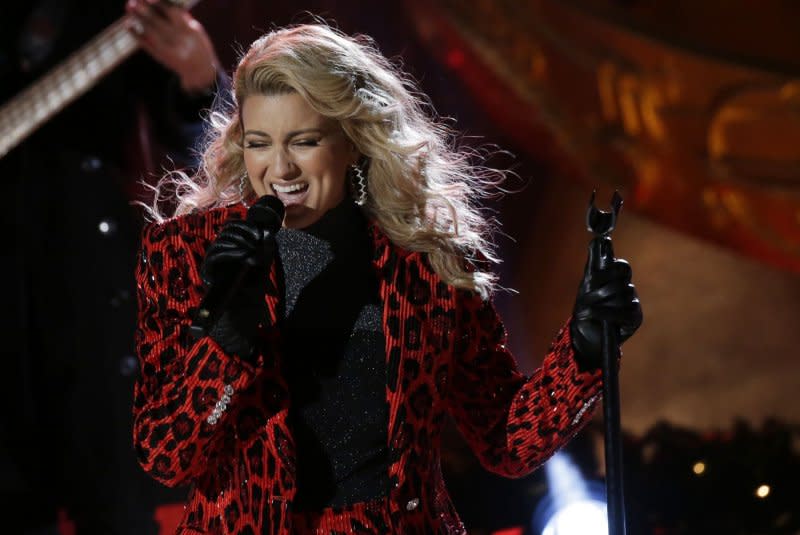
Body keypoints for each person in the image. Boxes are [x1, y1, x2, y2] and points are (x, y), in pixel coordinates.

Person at [133, 23, 642, 534]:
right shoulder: (186, 255)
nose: (279, 167)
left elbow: (505, 439)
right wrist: (226, 339)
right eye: (260, 143)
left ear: (353, 141)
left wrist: (583, 349)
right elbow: (164, 455)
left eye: (304, 141)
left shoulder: (425, 261)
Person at [1, 0, 223, 532]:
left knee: (109, 485)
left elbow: (201, 138)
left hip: (84, 262)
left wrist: (197, 75)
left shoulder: (120, 9)